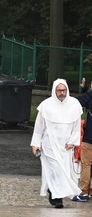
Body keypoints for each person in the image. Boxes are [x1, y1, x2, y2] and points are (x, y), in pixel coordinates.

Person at [31, 79, 82, 208]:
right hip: (49, 143)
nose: (62, 93)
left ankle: (53, 191)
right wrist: (36, 143)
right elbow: (39, 126)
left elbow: (76, 126)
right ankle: (57, 196)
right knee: (55, 169)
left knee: (63, 170)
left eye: (64, 90)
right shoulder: (46, 105)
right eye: (59, 90)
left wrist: (73, 141)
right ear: (54, 90)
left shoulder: (74, 104)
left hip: (65, 145)